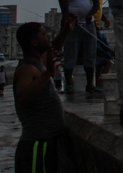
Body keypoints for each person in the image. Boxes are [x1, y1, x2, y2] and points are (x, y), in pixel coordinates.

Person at [13, 15, 77, 173]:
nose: (48, 35)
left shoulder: (38, 62)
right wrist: (48, 72)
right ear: (34, 42)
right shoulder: (27, 69)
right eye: (43, 34)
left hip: (46, 142)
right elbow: (21, 96)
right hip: (36, 143)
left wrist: (65, 31)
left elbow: (53, 48)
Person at [56, 0, 98, 93]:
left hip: (89, 25)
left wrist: (90, 14)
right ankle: (69, 84)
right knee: (70, 55)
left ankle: (90, 84)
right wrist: (70, 20)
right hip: (74, 26)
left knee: (90, 54)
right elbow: (64, 12)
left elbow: (96, 4)